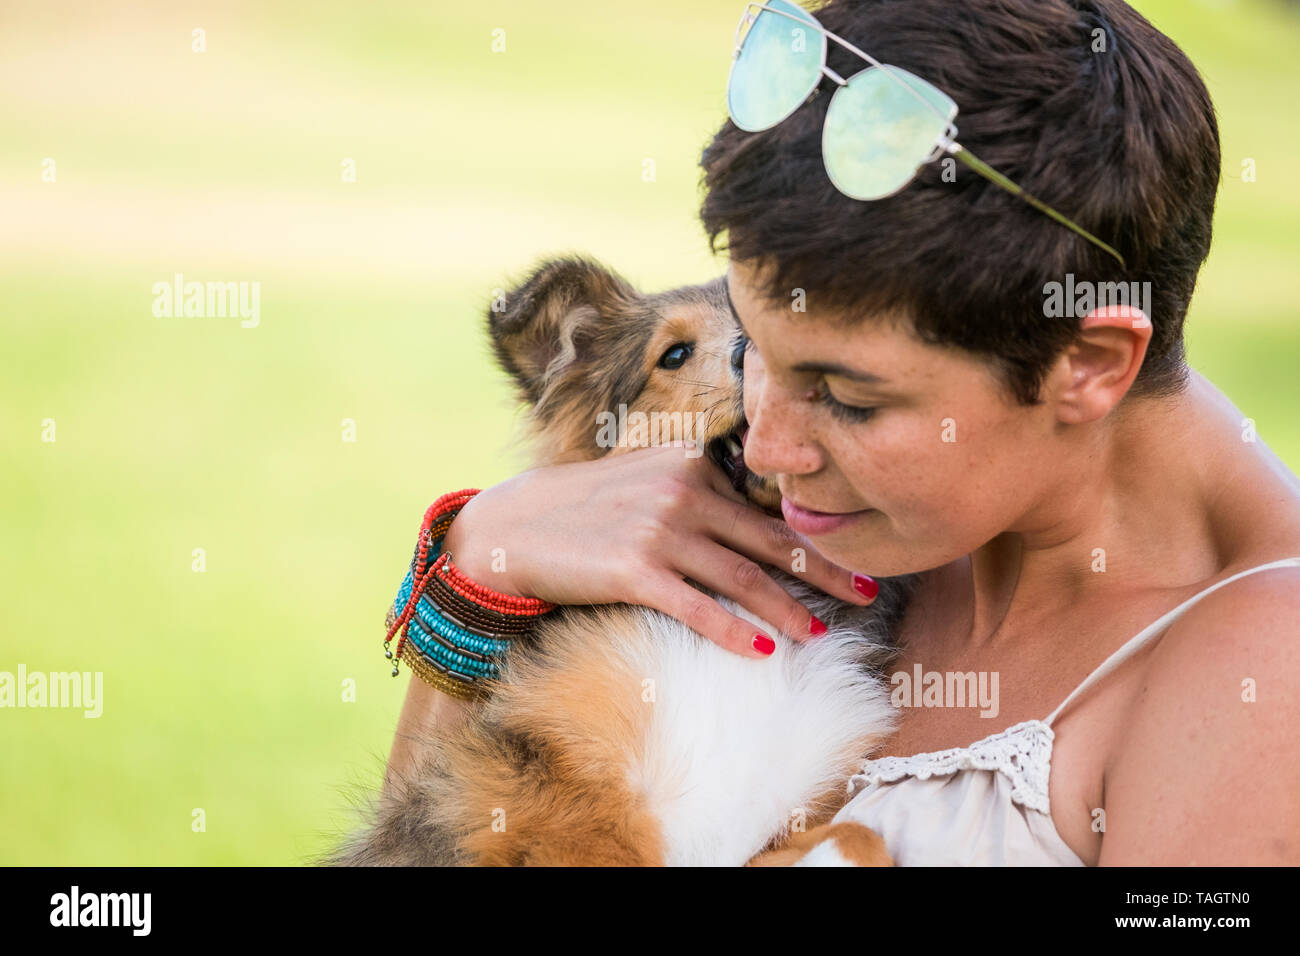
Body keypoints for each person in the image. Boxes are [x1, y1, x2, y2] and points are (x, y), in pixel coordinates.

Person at [384, 0, 1300, 865]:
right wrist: (482, 568)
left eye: (847, 396)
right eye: (753, 354)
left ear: (1089, 363)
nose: (768, 448)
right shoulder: (869, 515)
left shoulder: (1265, 688)